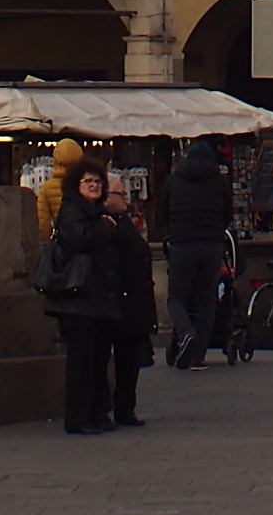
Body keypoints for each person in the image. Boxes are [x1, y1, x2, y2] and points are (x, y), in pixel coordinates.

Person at [50, 158, 126, 432]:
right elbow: (81, 239)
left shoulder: (97, 211)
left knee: (98, 361)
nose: (94, 186)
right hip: (78, 299)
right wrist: (107, 227)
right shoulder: (72, 210)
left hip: (98, 299)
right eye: (88, 181)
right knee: (81, 362)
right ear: (76, 184)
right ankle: (78, 417)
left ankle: (97, 413)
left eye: (98, 182)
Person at [155, 139, 229, 371]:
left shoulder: (173, 180)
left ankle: (186, 332)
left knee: (176, 297)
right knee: (208, 300)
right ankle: (198, 357)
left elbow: (162, 212)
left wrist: (173, 231)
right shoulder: (220, 181)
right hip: (211, 245)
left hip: (182, 245)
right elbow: (227, 213)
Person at [105, 181, 156, 427]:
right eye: (119, 193)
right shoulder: (106, 222)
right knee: (115, 356)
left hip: (133, 298)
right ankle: (112, 407)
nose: (125, 197)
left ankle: (126, 406)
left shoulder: (122, 220)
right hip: (117, 298)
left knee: (130, 357)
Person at [36, 137, 85, 241]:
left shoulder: (47, 187)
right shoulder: (85, 183)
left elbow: (43, 222)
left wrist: (49, 241)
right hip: (83, 237)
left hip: (62, 240)